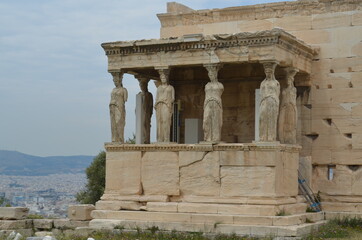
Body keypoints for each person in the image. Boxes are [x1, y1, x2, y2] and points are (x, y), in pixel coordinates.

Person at [259, 62, 280, 142]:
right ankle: (263, 136)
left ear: (272, 72)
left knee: (271, 119)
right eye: (267, 72)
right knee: (262, 118)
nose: (268, 74)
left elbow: (277, 94)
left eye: (270, 72)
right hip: (264, 102)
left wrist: (274, 101)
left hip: (272, 102)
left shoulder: (276, 83)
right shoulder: (263, 83)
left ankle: (271, 136)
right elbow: (261, 93)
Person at [203, 65, 224, 142]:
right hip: (207, 103)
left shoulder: (220, 85)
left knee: (216, 121)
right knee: (206, 120)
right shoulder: (207, 85)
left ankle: (216, 138)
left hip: (216, 103)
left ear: (215, 74)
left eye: (212, 74)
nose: (210, 76)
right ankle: (207, 137)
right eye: (209, 75)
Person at [155, 70, 174, 143]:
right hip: (159, 105)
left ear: (167, 78)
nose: (163, 79)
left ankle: (166, 139)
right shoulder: (159, 88)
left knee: (166, 121)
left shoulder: (171, 88)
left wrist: (166, 101)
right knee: (160, 122)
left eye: (164, 78)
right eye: (162, 78)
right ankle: (160, 139)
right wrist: (158, 102)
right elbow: (156, 98)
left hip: (166, 105)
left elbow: (172, 98)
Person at [109, 72, 128, 143]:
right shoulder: (113, 90)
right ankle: (114, 139)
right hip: (112, 107)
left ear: (120, 81)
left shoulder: (124, 90)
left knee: (119, 122)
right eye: (114, 81)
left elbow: (125, 99)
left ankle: (120, 139)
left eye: (116, 81)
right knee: (113, 124)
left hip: (119, 108)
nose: (115, 83)